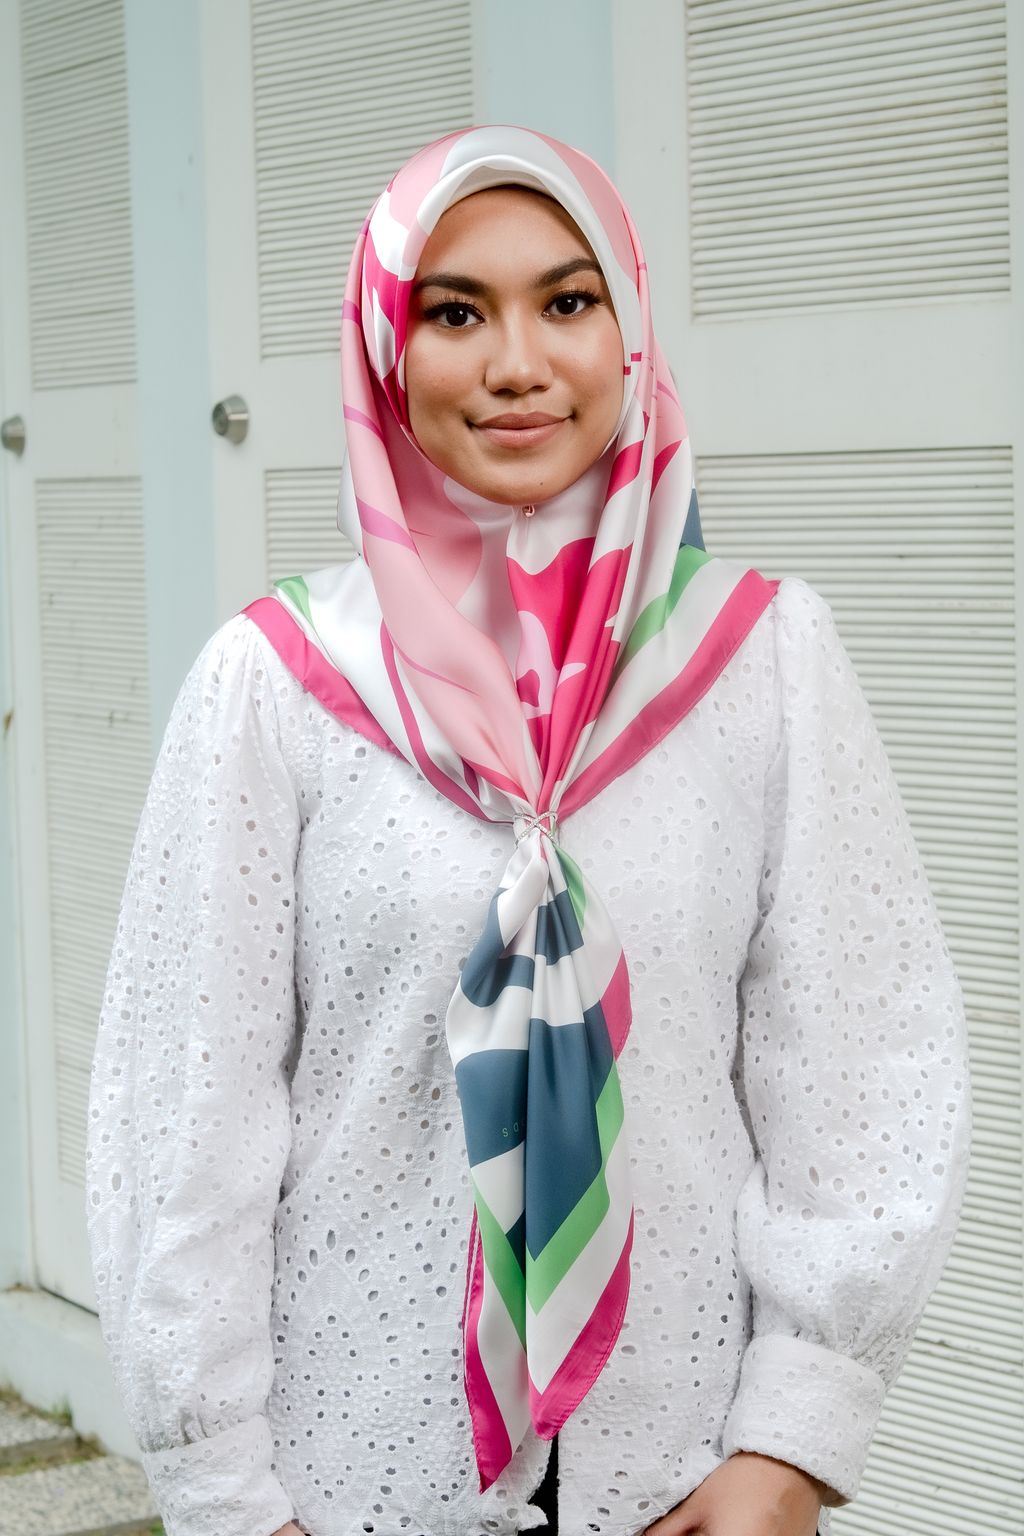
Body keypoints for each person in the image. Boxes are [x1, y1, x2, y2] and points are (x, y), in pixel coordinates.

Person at [85, 126, 971, 1536]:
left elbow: (858, 1065)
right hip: (349, 1475)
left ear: (631, 332)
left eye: (567, 301)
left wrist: (796, 1442)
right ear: (386, 352)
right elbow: (188, 1118)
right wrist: (224, 1492)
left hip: (685, 1469)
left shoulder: (763, 660)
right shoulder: (274, 684)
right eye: (454, 313)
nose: (517, 364)